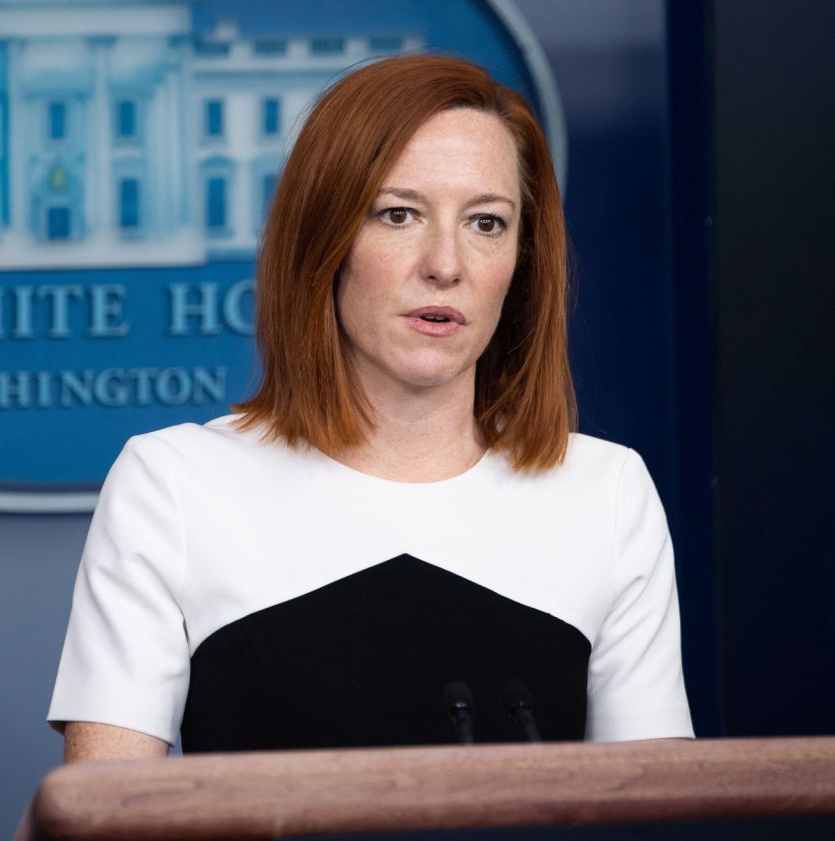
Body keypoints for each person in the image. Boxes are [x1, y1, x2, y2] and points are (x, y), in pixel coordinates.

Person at [47, 54, 693, 762]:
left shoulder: (607, 493)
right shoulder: (173, 485)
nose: (446, 263)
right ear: (323, 241)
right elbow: (104, 809)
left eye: (486, 222)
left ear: (523, 259)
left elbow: (653, 808)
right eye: (399, 214)